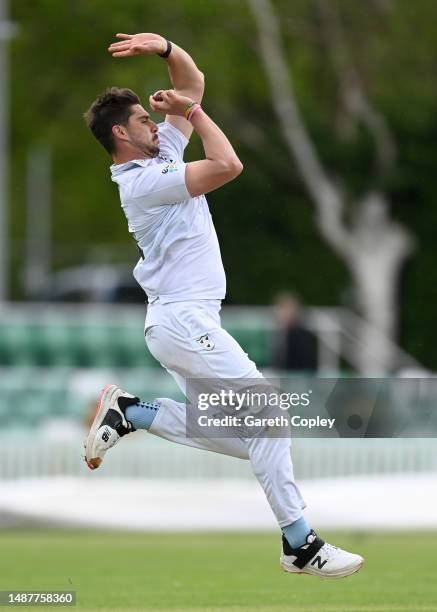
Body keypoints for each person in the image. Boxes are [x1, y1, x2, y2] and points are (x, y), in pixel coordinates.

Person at [83, 32, 363, 578]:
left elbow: (192, 82)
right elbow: (229, 164)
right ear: (121, 133)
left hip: (185, 322)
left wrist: (165, 50)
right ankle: (300, 544)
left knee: (248, 438)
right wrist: (190, 112)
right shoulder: (144, 182)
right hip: (181, 320)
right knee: (269, 417)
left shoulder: (159, 154)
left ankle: (135, 412)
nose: (155, 123)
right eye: (143, 119)